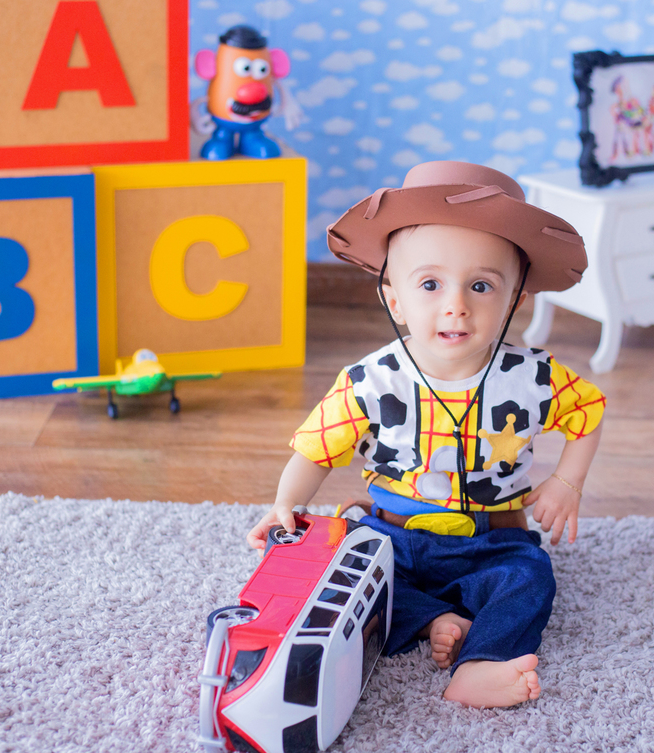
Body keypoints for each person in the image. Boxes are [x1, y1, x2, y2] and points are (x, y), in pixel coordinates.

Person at [246, 162, 606, 708]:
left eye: (481, 285)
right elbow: (316, 449)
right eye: (431, 284)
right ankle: (432, 617)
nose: (455, 304)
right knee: (351, 585)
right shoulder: (370, 380)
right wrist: (284, 504)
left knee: (529, 580)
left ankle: (481, 662)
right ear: (395, 300)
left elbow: (589, 414)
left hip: (493, 538)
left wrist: (567, 483)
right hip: (395, 534)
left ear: (513, 302)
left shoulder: (533, 376)